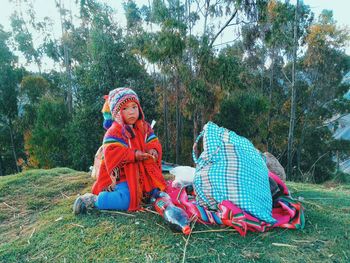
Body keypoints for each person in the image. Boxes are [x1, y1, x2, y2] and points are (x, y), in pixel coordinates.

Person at [73, 87, 166, 214]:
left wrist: (153, 149)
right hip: (122, 177)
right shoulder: (114, 133)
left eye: (134, 107)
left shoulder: (144, 127)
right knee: (127, 199)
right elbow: (113, 153)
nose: (131, 112)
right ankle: (93, 200)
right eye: (125, 108)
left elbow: (152, 140)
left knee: (156, 191)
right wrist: (133, 155)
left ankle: (146, 192)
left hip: (141, 174)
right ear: (116, 112)